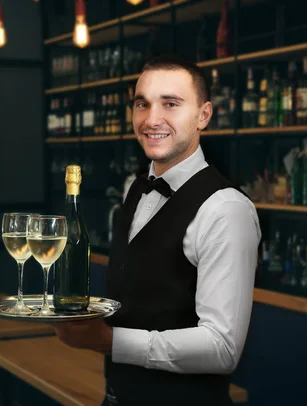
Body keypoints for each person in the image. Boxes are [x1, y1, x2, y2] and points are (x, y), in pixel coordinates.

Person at [53, 55, 261, 405]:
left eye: (171, 104)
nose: (152, 119)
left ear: (203, 115)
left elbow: (222, 348)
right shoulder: (134, 187)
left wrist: (108, 340)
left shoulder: (226, 210)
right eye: (142, 104)